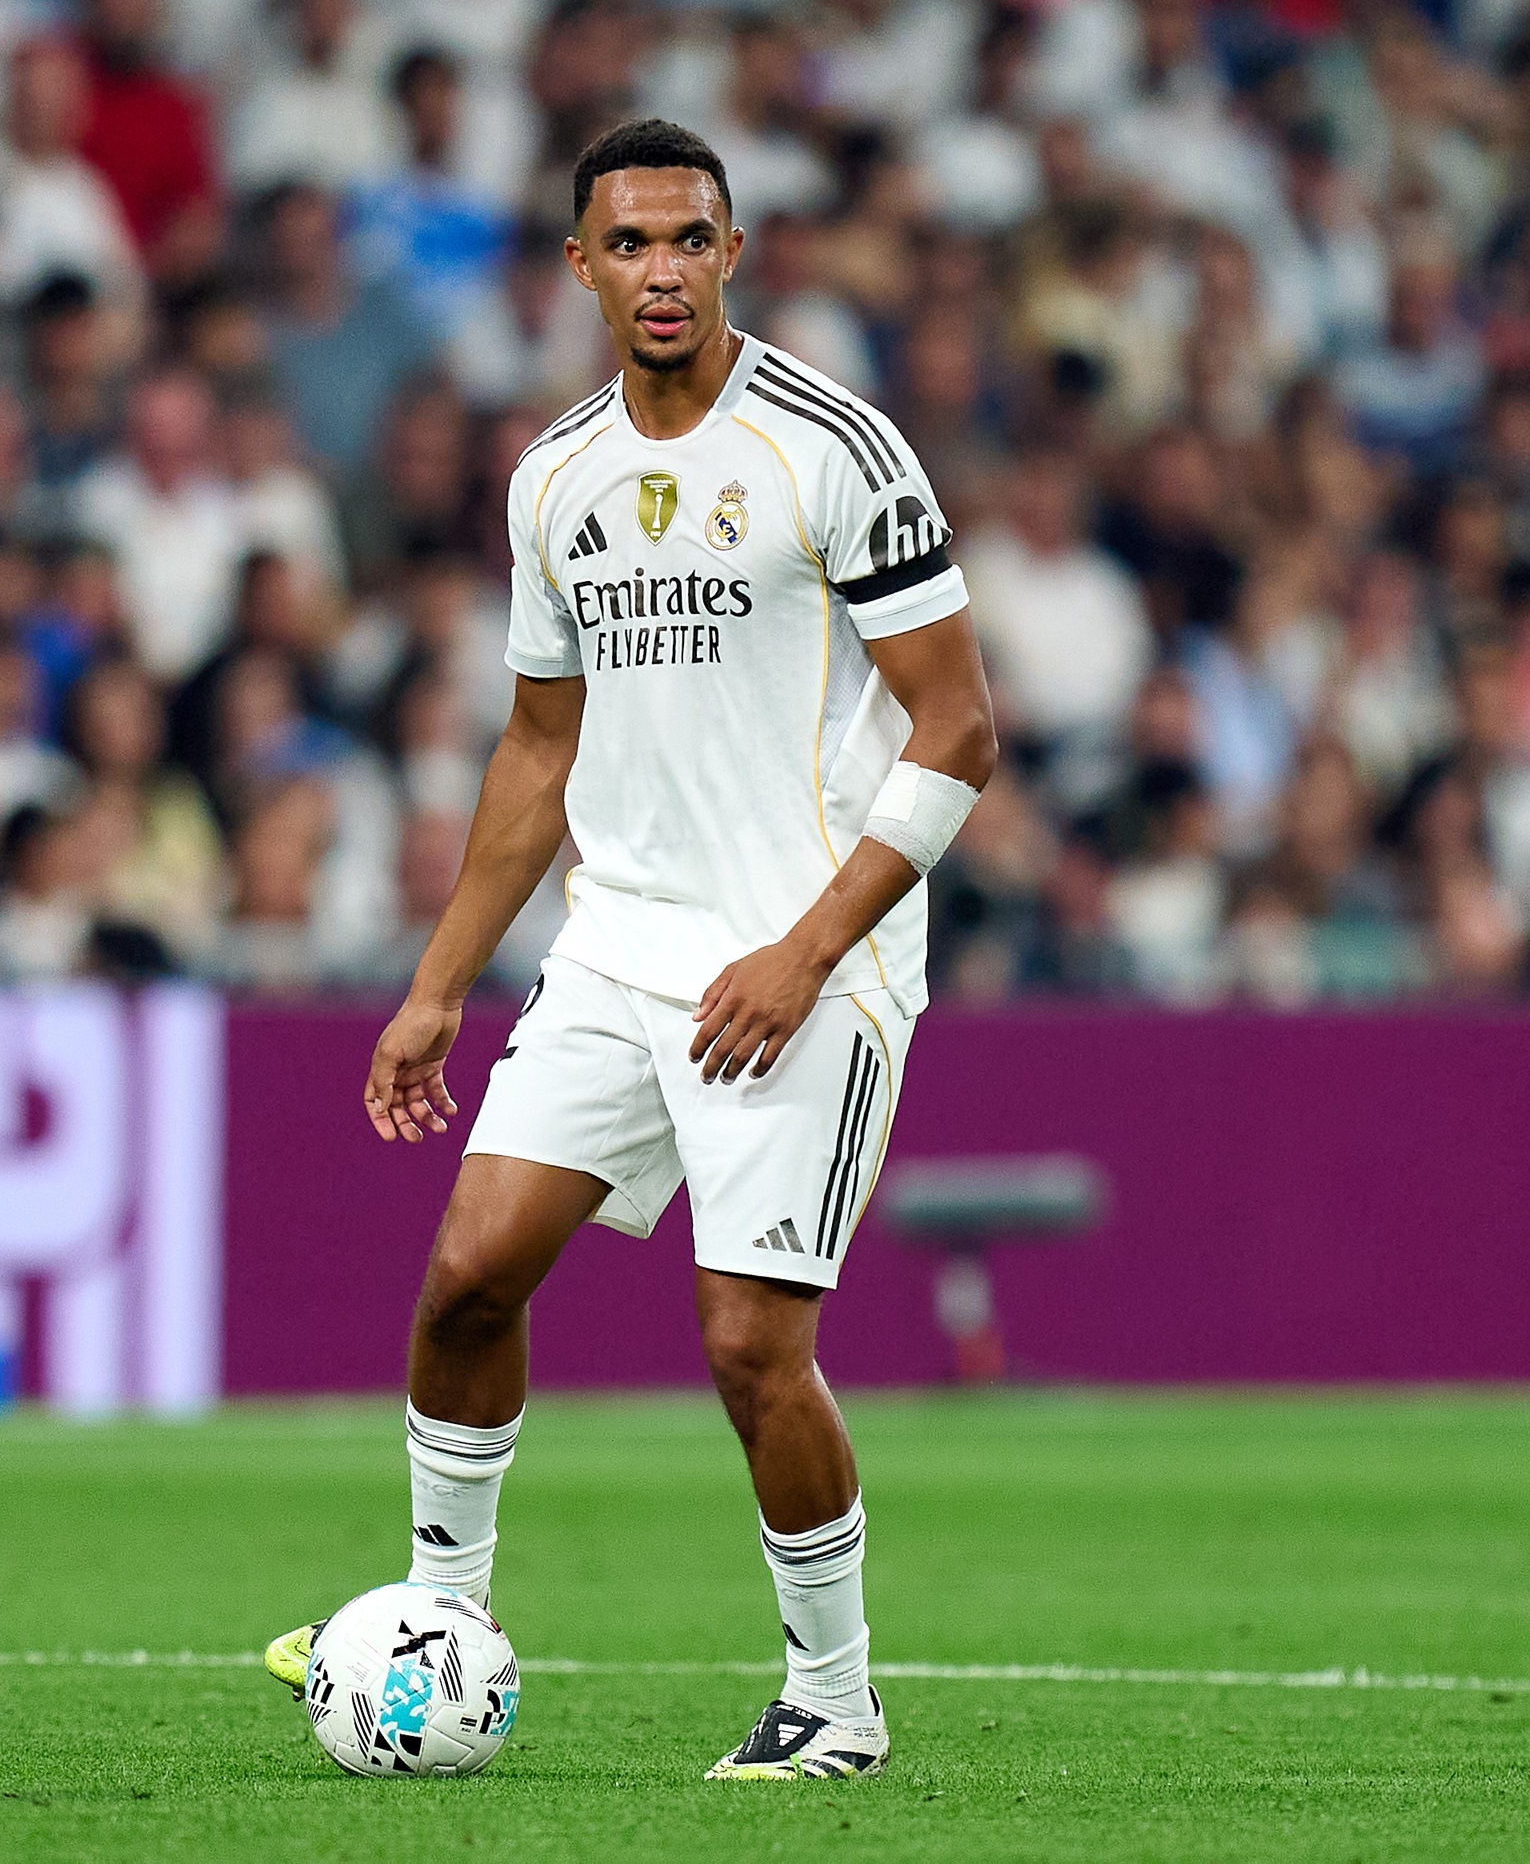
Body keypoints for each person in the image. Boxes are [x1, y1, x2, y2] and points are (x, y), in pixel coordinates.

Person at [257, 120, 997, 1783]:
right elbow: (535, 751)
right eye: (631, 244)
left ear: (734, 253)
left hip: (808, 959)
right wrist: (440, 980)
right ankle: (444, 1621)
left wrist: (807, 953)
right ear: (579, 267)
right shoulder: (555, 475)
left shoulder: (839, 449)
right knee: (466, 1279)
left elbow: (957, 733)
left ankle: (838, 1698)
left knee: (748, 1345)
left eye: (691, 240)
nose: (662, 270)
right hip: (621, 948)